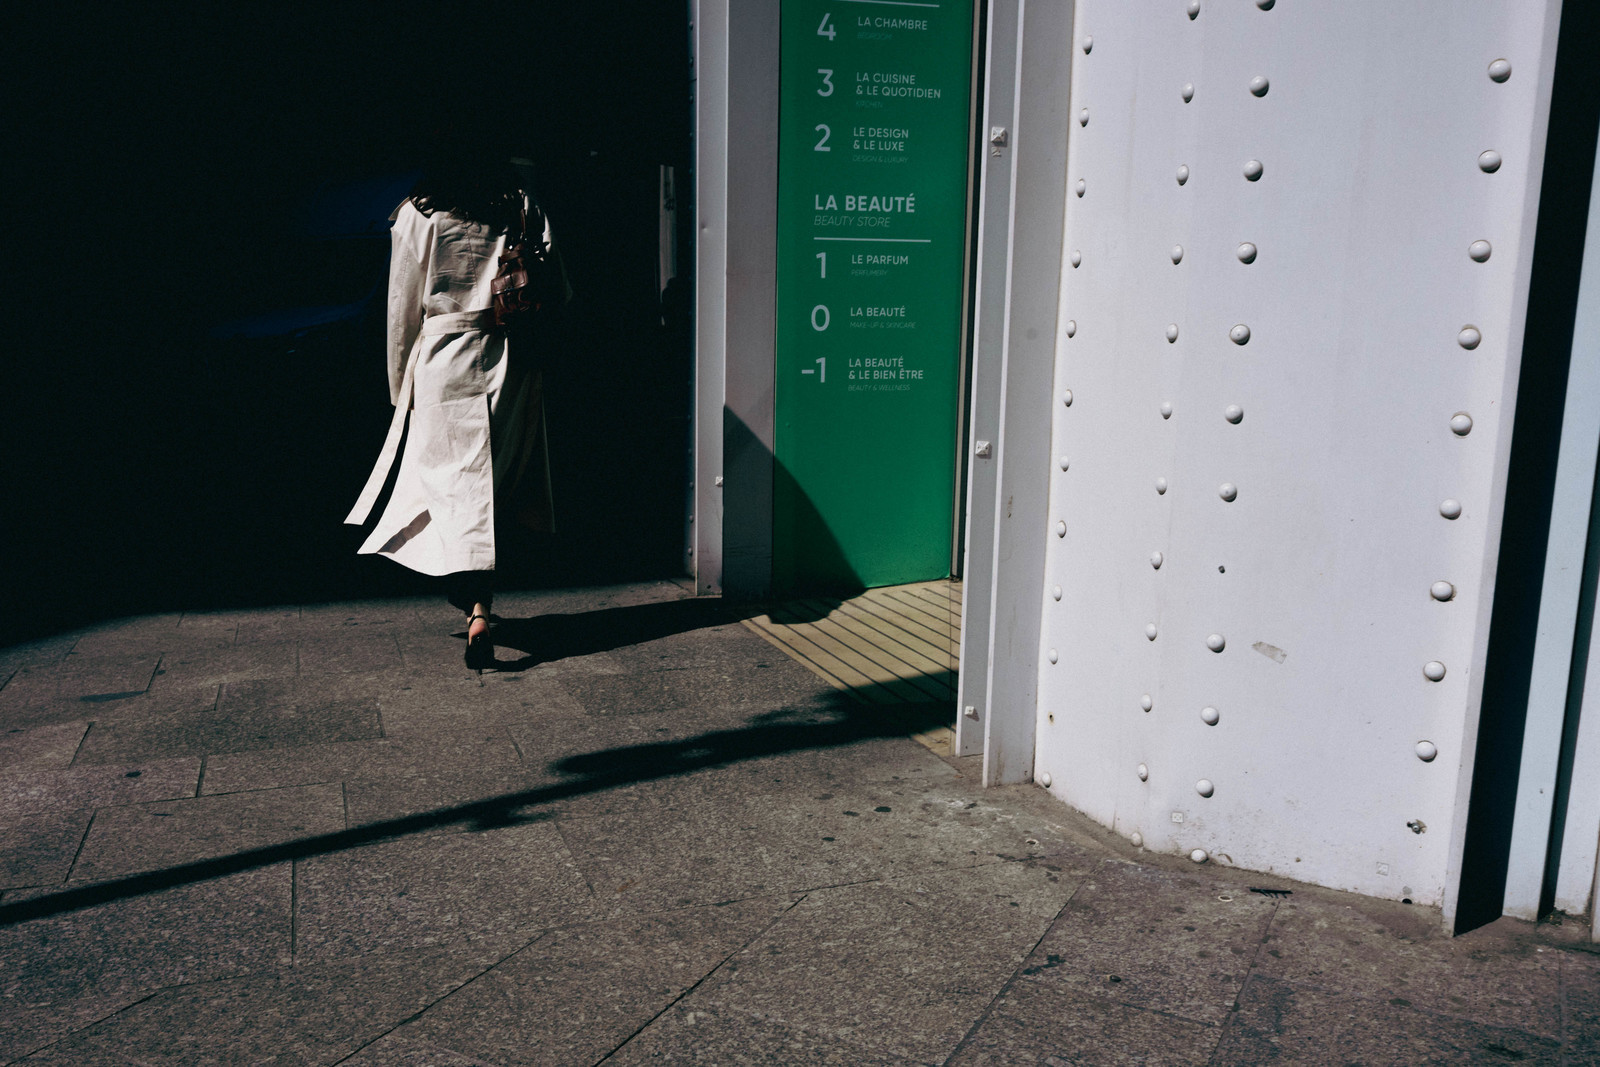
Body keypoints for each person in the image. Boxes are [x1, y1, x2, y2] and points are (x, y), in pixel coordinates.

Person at [345, 150, 566, 668]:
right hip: (509, 355)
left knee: (451, 487)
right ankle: (479, 603)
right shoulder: (522, 207)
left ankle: (475, 607)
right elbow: (559, 285)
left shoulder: (419, 215)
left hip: (443, 358)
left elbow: (402, 308)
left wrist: (400, 386)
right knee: (492, 484)